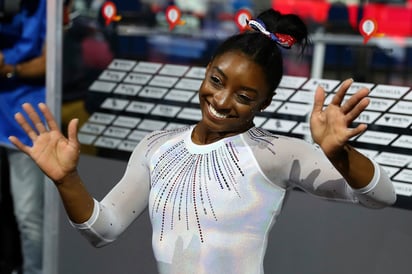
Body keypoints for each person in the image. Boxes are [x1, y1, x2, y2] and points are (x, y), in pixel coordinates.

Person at [9, 8, 396, 274]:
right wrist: (67, 180)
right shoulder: (155, 147)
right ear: (207, 70)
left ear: (265, 102)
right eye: (216, 80)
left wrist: (340, 154)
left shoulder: (275, 153)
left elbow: (381, 197)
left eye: (245, 97)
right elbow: (102, 230)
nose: (223, 101)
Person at [0, 0, 47, 273]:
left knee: (28, 216)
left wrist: (10, 69)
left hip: (26, 124)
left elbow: (52, 60)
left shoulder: (46, 7)